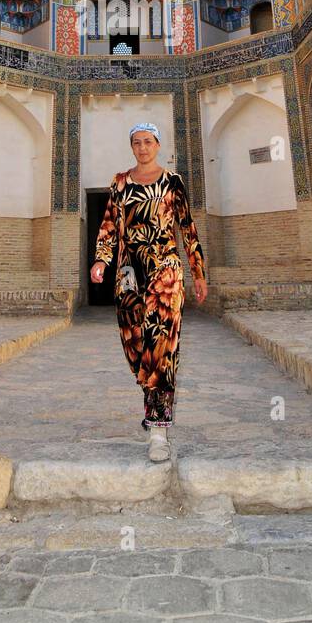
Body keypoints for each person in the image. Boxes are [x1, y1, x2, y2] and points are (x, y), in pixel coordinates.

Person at [90, 122, 207, 462]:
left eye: (147, 141)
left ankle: (158, 428)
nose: (142, 147)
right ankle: (151, 395)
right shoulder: (120, 183)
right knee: (136, 344)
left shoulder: (173, 182)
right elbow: (110, 224)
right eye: (136, 142)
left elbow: (187, 227)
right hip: (129, 272)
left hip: (165, 269)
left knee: (161, 348)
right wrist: (101, 260)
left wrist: (197, 271)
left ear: (158, 145)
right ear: (131, 147)